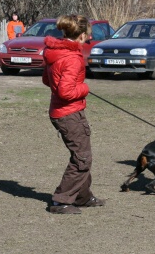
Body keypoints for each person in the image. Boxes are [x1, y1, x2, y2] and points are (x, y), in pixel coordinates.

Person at [42, 14, 105, 214]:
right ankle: (61, 200)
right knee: (82, 158)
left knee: (81, 155)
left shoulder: (56, 52)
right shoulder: (72, 58)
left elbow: (47, 80)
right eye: (88, 35)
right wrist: (83, 88)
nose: (89, 38)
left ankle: (82, 196)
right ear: (80, 35)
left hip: (61, 111)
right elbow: (65, 91)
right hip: (69, 113)